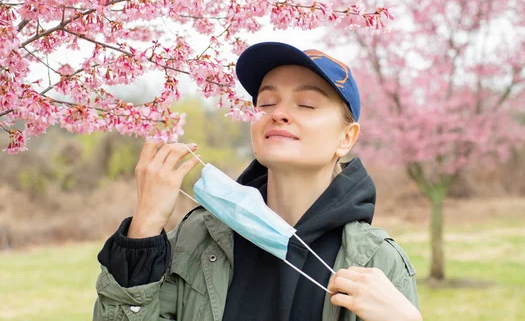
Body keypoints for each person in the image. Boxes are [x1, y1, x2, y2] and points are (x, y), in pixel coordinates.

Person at [93, 42, 422, 321]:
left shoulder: (377, 261)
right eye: (266, 102)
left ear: (346, 138)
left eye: (306, 104)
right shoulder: (196, 238)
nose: (277, 113)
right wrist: (145, 228)